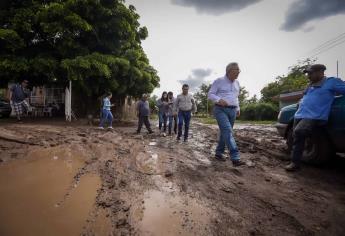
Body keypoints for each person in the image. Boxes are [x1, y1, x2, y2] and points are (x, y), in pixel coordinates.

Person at [285, 64, 345, 171]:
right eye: (308, 73)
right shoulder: (310, 84)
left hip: (314, 115)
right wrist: (301, 101)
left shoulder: (331, 82)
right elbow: (305, 96)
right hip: (300, 114)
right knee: (296, 137)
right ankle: (296, 160)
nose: (308, 76)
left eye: (310, 73)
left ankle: (295, 163)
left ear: (320, 72)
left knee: (299, 132)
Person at [208, 62, 245, 167]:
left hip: (232, 110)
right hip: (220, 109)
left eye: (239, 71)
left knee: (225, 133)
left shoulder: (237, 83)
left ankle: (218, 154)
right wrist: (219, 100)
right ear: (229, 71)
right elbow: (210, 94)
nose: (238, 73)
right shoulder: (219, 81)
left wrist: (238, 108)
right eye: (236, 70)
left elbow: (236, 97)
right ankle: (235, 157)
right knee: (228, 131)